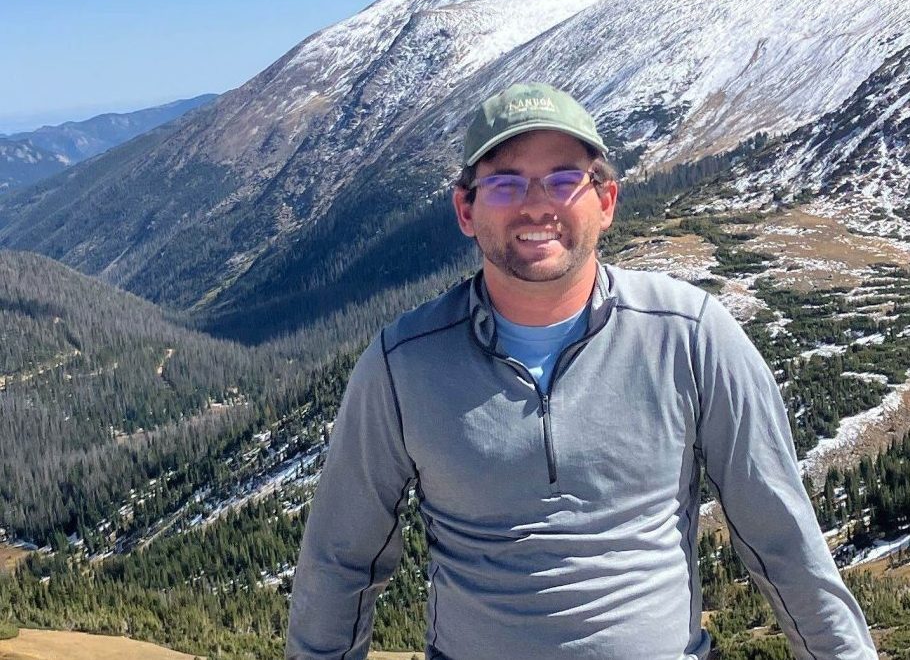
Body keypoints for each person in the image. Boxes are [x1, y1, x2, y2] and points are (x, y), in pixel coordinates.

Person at [286, 82, 877, 660]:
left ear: (607, 202)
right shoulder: (403, 363)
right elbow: (340, 561)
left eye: (565, 179)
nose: (536, 203)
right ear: (465, 209)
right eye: (505, 182)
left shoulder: (689, 334)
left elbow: (782, 539)